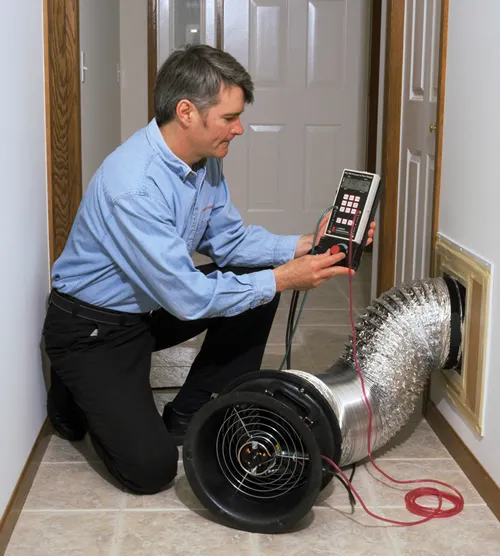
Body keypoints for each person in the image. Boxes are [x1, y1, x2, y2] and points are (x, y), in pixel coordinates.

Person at [42, 44, 375, 495]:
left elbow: (231, 242)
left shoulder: (204, 164)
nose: (239, 129)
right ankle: (72, 384)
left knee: (258, 278)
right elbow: (188, 299)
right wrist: (284, 277)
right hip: (93, 329)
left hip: (149, 307)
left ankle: (191, 410)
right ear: (186, 112)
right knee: (151, 470)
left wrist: (307, 244)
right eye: (229, 117)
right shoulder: (134, 186)